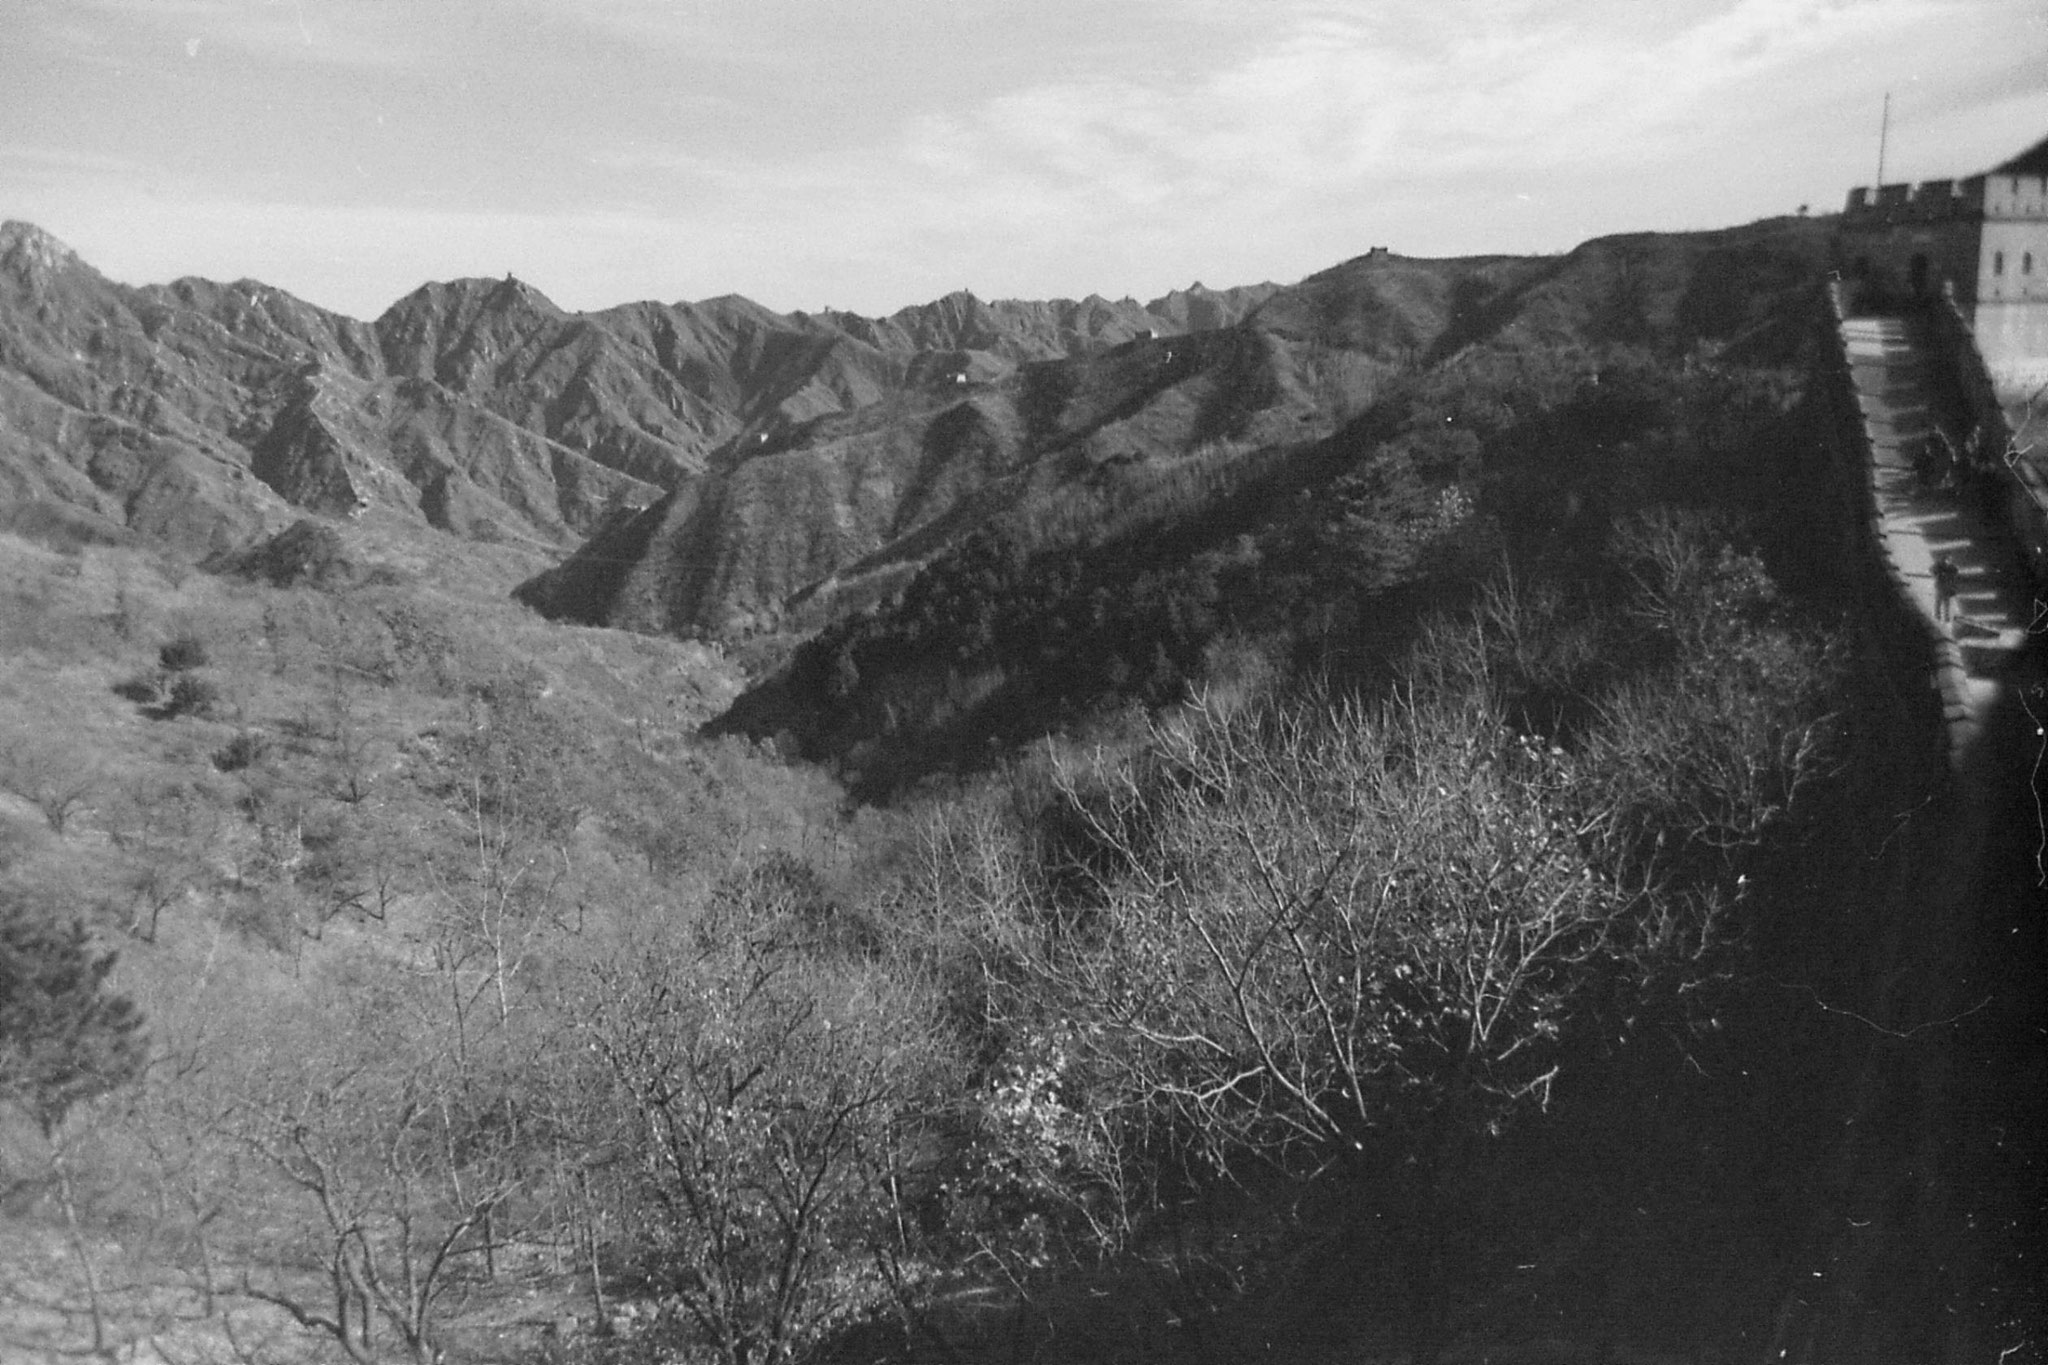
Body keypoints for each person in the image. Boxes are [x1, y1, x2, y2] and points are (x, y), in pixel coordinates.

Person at [1932, 554, 1962, 624]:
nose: (1950, 561)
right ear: (1945, 559)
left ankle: (1944, 617)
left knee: (1944, 603)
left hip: (1945, 587)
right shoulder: (1941, 566)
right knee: (1939, 602)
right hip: (1941, 586)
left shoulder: (1951, 568)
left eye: (1950, 560)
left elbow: (1954, 576)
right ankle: (1939, 616)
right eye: (1948, 559)